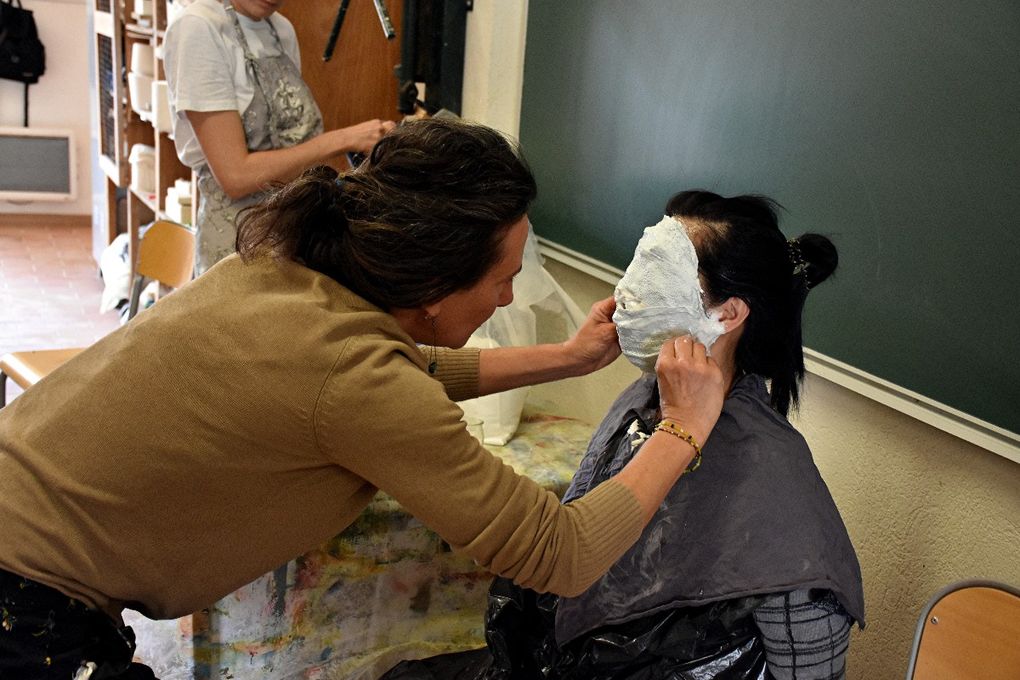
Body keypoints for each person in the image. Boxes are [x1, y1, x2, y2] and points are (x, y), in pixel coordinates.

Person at [0, 120, 727, 680]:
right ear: (434, 288)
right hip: (21, 600)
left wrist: (567, 359)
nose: (511, 295)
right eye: (501, 278)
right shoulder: (358, 379)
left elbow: (394, 373)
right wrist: (683, 429)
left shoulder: (274, 275)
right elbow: (558, 551)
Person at [383, 190, 864, 680]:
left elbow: (810, 659)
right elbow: (567, 551)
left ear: (727, 314)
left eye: (656, 272)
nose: (626, 291)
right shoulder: (639, 404)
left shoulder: (773, 471)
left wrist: (682, 428)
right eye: (636, 264)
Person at [163, 0, 396, 274]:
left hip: (291, 233)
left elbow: (293, 149)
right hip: (236, 246)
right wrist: (342, 139)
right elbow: (235, 176)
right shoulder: (198, 27)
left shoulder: (281, 29)